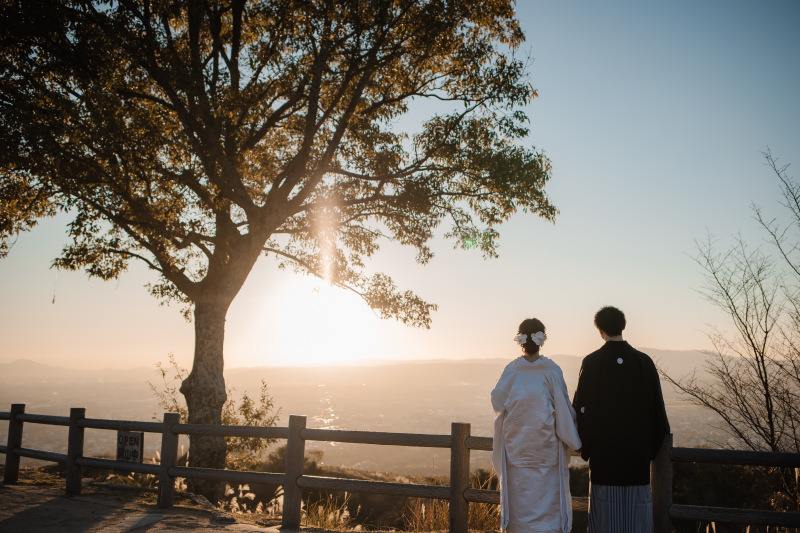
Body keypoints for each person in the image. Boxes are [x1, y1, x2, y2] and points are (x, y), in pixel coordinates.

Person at [572, 306, 670, 532]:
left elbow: (580, 409)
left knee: (605, 520)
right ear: (623, 326)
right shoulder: (644, 362)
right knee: (637, 520)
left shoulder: (592, 362)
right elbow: (658, 411)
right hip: (637, 459)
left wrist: (587, 446)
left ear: (600, 330)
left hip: (604, 458)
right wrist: (649, 450)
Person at [491, 318, 582, 533]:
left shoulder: (511, 370)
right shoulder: (552, 370)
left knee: (520, 503)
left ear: (520, 339)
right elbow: (563, 409)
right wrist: (574, 441)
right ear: (542, 339)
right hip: (546, 451)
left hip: (517, 451)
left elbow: (497, 401)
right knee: (547, 505)